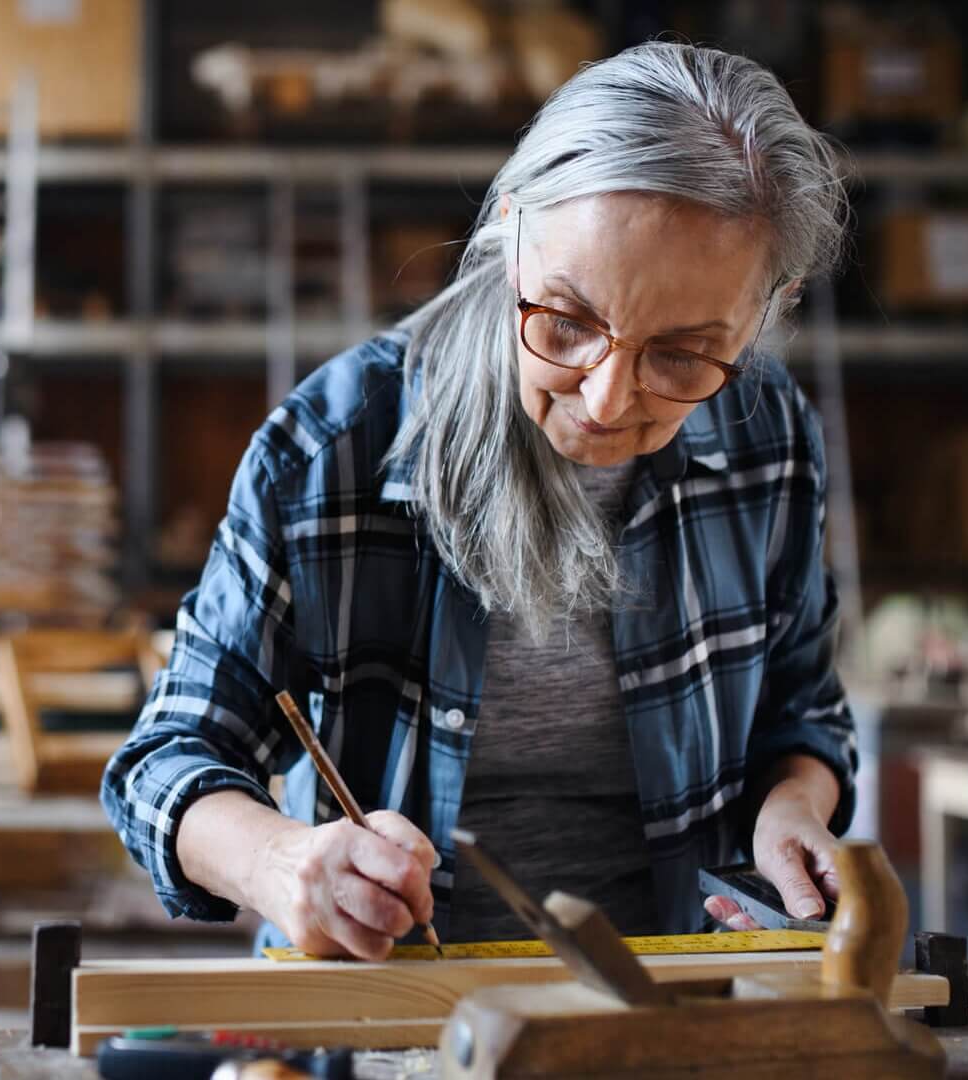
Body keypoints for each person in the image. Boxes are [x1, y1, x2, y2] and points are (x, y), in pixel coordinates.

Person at [102, 41, 856, 960]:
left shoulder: (767, 440)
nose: (606, 397)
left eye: (682, 354)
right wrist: (283, 862)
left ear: (771, 306)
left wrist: (792, 809)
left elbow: (802, 711)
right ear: (510, 230)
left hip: (675, 1006)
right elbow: (163, 761)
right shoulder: (335, 450)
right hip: (391, 1017)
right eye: (569, 322)